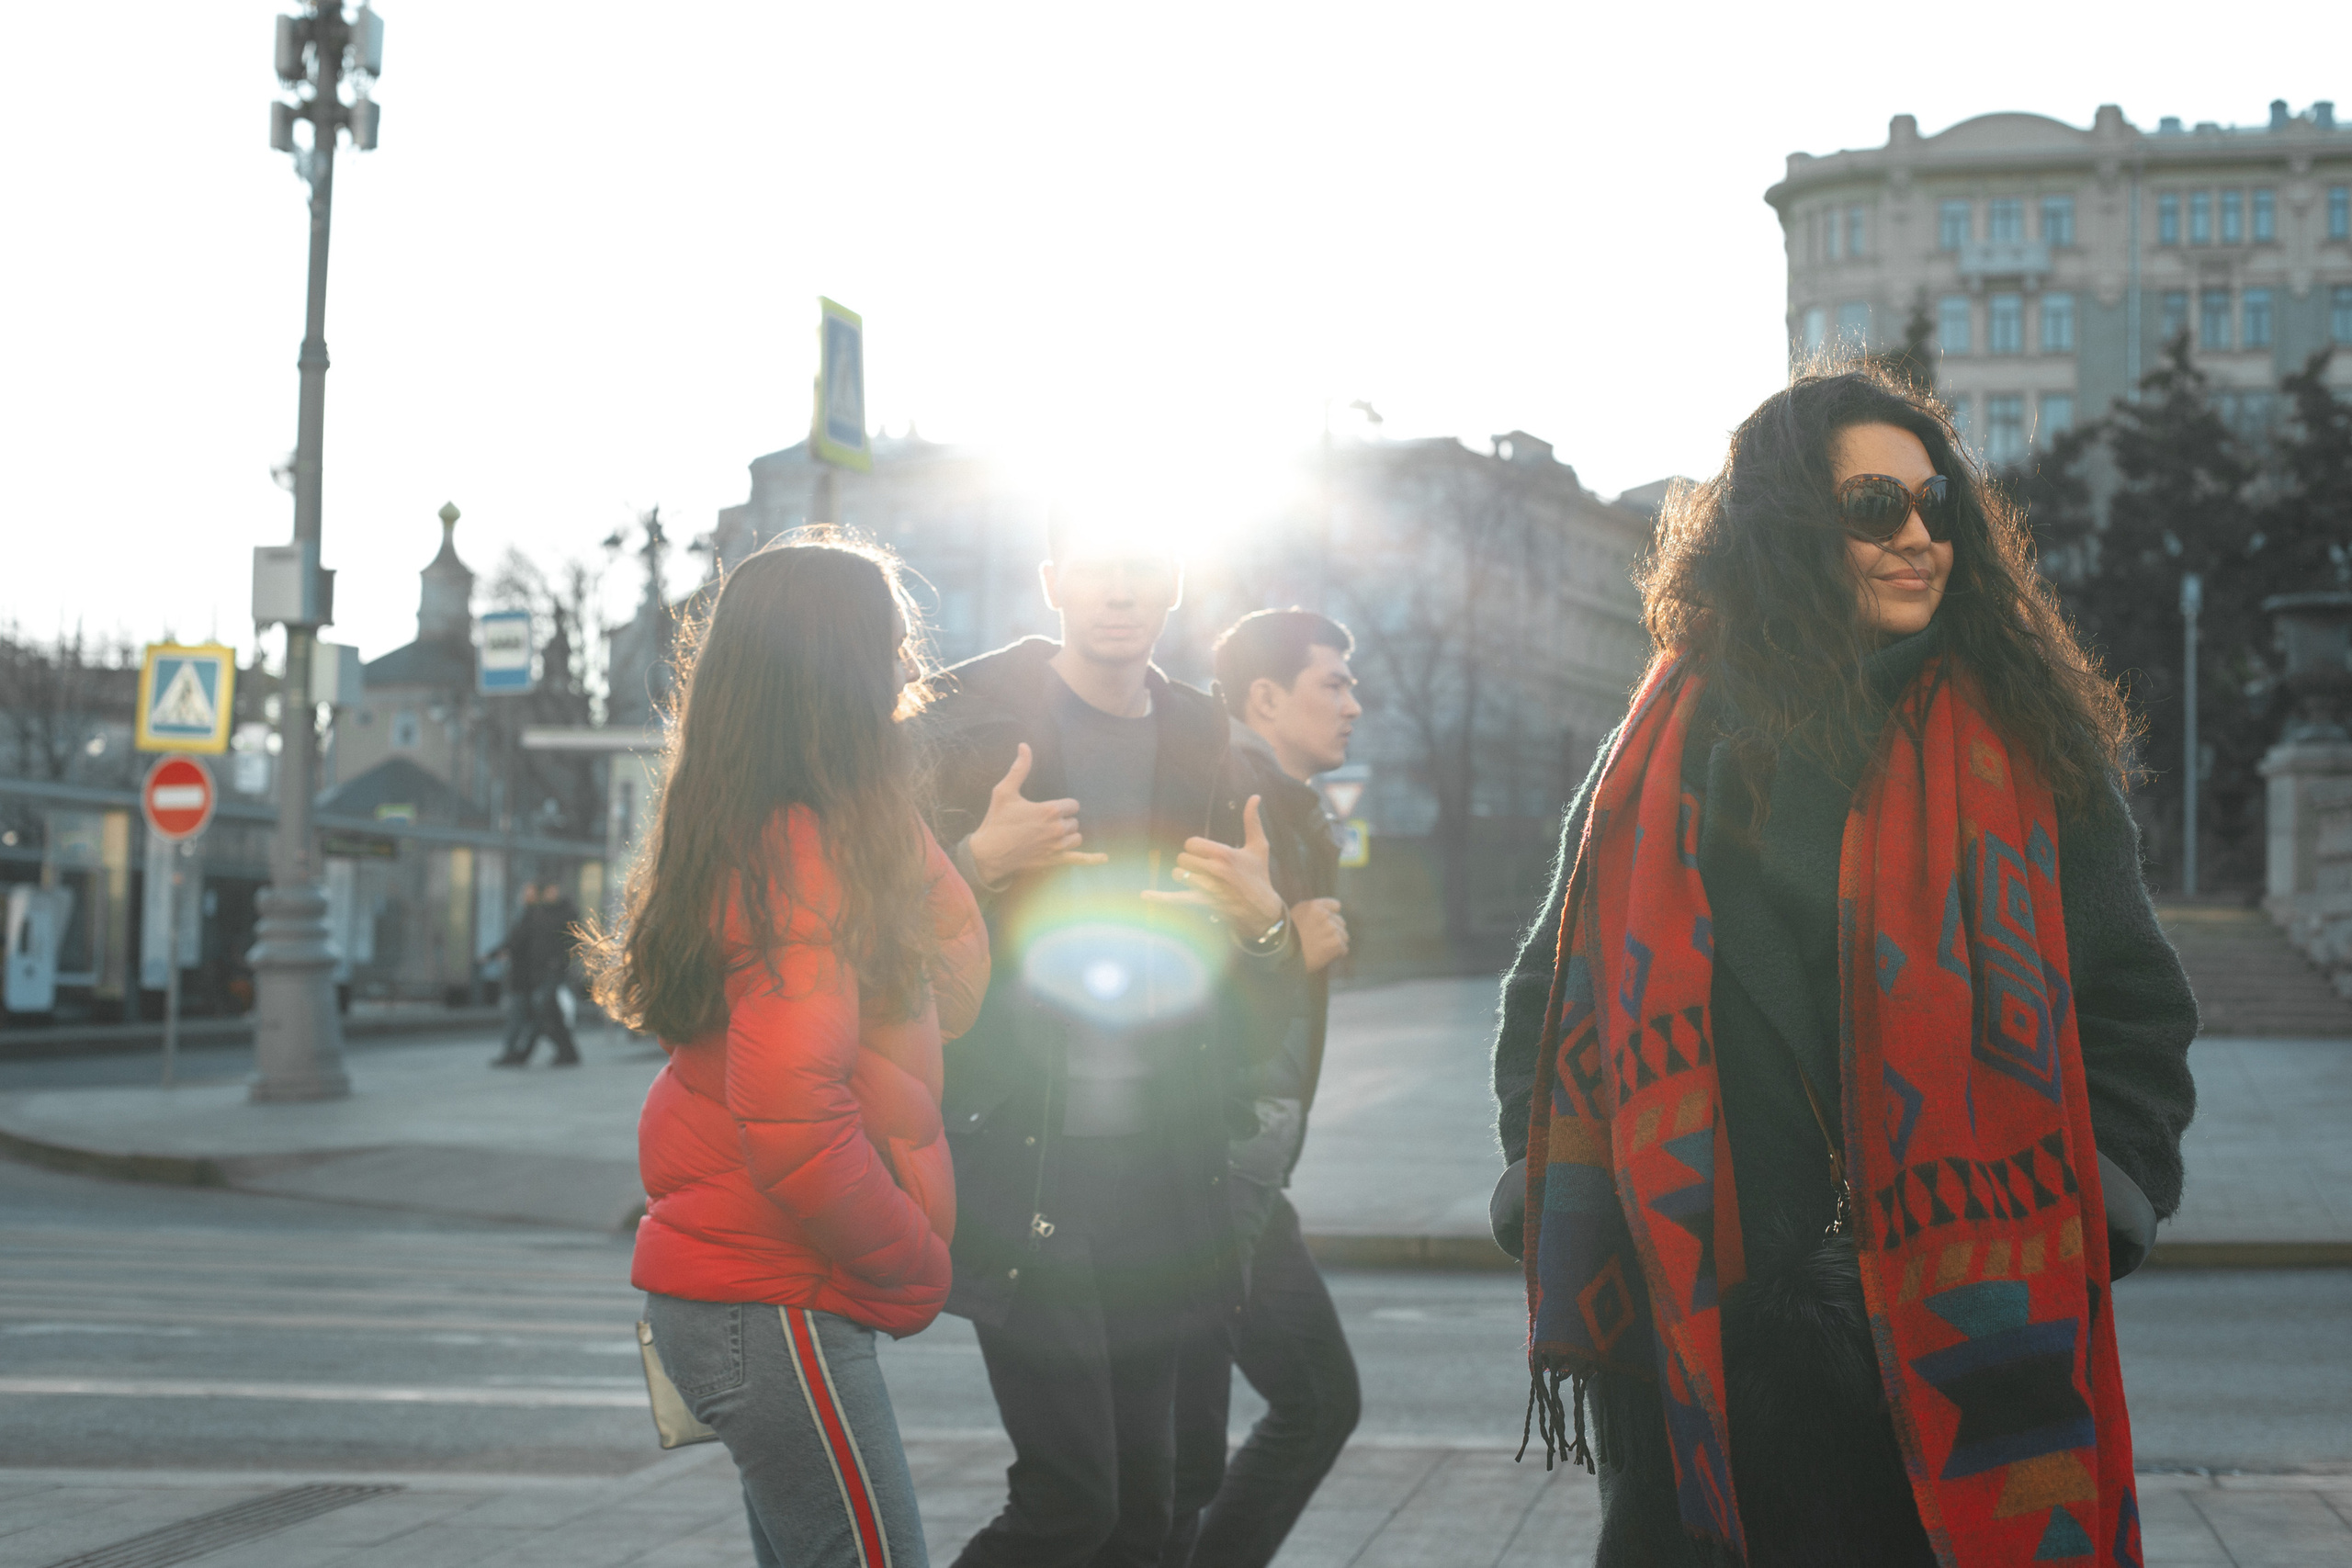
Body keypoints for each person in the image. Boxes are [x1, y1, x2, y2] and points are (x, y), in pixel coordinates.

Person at [1488, 367, 2197, 1567]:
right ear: (1786, 527)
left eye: (1939, 508)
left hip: (1969, 1329)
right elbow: (1550, 995)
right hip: (1703, 1333)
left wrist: (2112, 1195)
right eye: (1877, 508)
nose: (1921, 538)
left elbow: (2133, 1000)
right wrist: (1545, 1174)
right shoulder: (1662, 749)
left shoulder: (2028, 744)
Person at [594, 536, 990, 1568]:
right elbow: (791, 1109)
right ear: (837, 669)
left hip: (755, 1293)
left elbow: (945, 996)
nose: (911, 670)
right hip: (770, 1300)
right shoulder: (799, 847)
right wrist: (909, 1260)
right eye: (892, 647)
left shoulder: (791, 827)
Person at [913, 514, 1295, 1568]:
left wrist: (1264, 927)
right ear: (1052, 583)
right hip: (1021, 1156)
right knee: (1072, 1499)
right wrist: (972, 862)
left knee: (1154, 1508)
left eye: (1142, 571)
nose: (1119, 593)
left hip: (1165, 1168)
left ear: (1175, 586)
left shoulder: (1205, 736)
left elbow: (1248, 997)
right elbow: (870, 926)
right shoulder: (961, 718)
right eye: (1095, 571)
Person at [1165, 609, 1365, 1568]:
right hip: (1207, 1165)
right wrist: (1290, 947)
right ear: (1264, 698)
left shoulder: (1284, 804)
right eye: (1333, 683)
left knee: (1308, 1404)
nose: (1353, 705)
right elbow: (1184, 985)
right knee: (1175, 1459)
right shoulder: (1231, 800)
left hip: (1244, 1165)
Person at [494, 880, 583, 1067]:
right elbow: (520, 939)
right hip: (537, 971)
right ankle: (566, 1052)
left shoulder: (565, 912)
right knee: (547, 1011)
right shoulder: (539, 913)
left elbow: (570, 942)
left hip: (552, 970)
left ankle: (527, 1052)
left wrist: (559, 962)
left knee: (541, 1006)